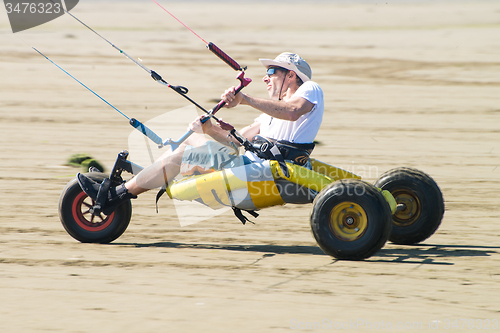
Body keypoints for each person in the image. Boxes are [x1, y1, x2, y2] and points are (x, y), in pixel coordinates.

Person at [77, 52, 324, 214]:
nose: (265, 78)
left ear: (291, 75)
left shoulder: (310, 89)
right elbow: (235, 141)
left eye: (272, 72)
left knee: (181, 156)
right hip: (253, 170)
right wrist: (209, 129)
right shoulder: (268, 115)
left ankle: (114, 196)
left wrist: (245, 98)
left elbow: (292, 111)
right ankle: (142, 178)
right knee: (191, 142)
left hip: (268, 174)